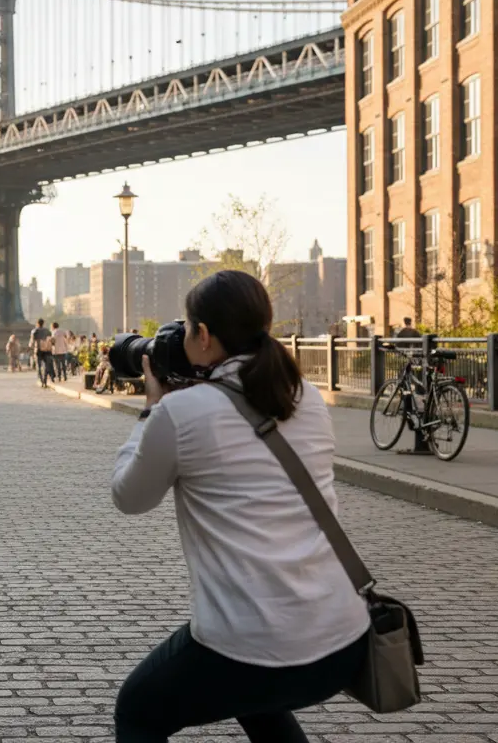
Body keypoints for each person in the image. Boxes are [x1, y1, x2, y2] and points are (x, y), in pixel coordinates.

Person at [109, 269, 369, 743]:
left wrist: (152, 410)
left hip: (252, 645)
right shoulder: (304, 396)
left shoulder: (180, 413)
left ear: (204, 336)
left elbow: (129, 497)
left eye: (187, 327)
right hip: (343, 640)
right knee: (253, 699)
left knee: (139, 711)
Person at [32, 318, 54, 388]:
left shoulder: (35, 331)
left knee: (39, 366)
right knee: (46, 366)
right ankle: (45, 380)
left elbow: (32, 341)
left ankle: (42, 381)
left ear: (37, 323)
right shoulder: (48, 331)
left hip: (38, 350)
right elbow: (51, 341)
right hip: (47, 350)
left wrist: (31, 348)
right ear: (43, 323)